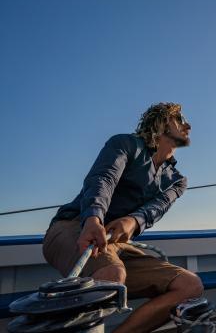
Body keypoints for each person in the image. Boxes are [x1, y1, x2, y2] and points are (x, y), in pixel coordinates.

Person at [42, 102, 203, 333]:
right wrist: (93, 218)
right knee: (112, 274)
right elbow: (103, 179)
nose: (187, 125)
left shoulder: (177, 180)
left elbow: (157, 207)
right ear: (160, 122)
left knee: (190, 285)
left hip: (119, 244)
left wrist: (134, 221)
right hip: (75, 225)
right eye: (179, 120)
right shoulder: (125, 144)